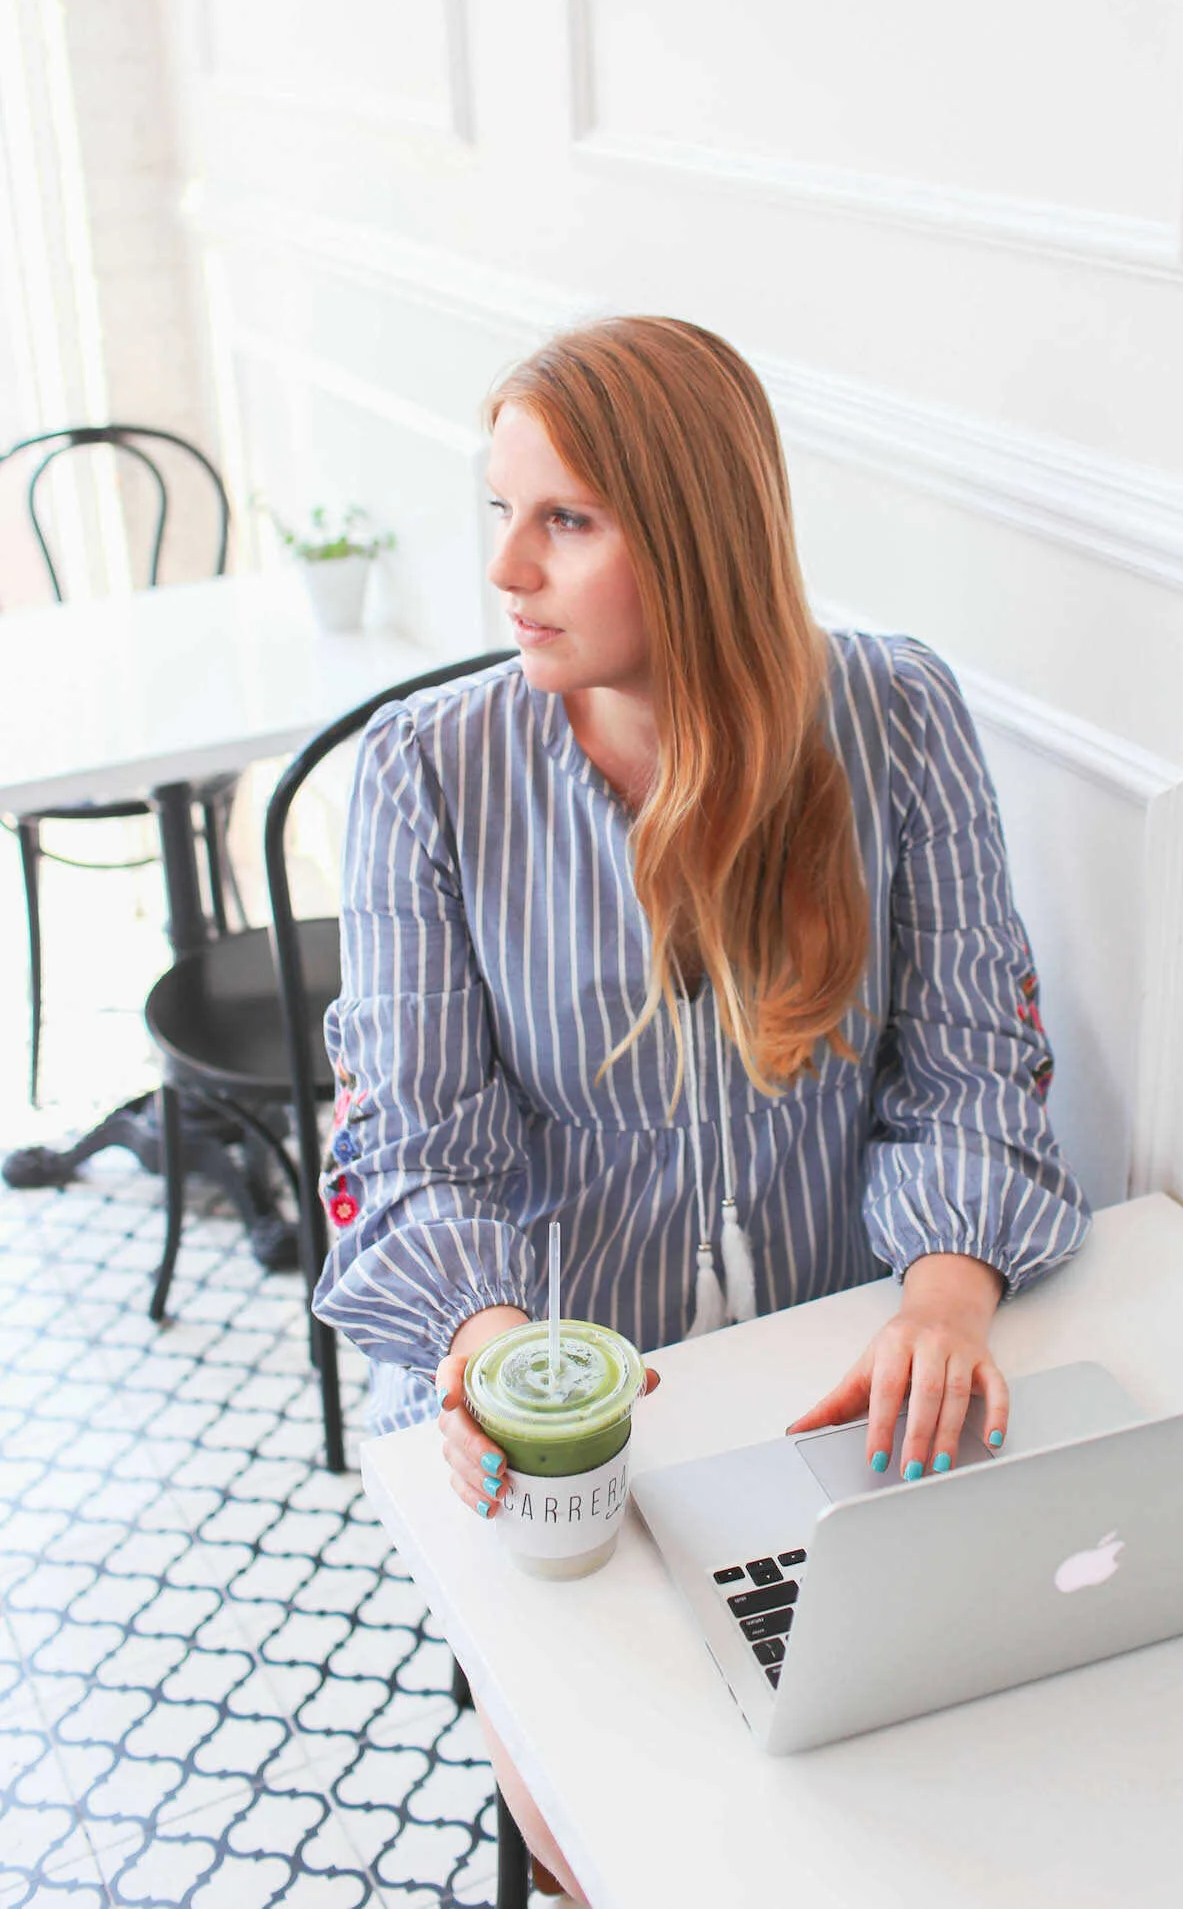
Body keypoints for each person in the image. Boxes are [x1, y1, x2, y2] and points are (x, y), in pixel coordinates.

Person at [312, 315, 1091, 1903]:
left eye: (568, 520)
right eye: (500, 513)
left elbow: (969, 1061)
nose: (507, 571)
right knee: (633, 1828)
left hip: (833, 1383)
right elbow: (409, 1151)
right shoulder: (425, 773)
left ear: (696, 537)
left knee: (947, 1783)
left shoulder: (893, 718)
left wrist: (946, 1296)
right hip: (555, 1424)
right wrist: (486, 1356)